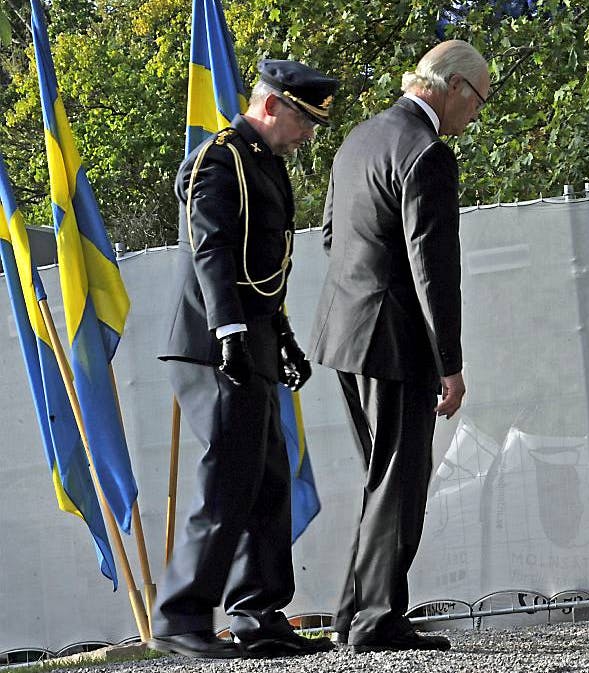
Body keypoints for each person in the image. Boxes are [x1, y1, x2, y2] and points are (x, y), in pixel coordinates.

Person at [152, 59, 338, 659]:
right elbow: (211, 246)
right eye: (305, 119)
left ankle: (257, 613)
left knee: (268, 481)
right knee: (225, 481)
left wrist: (279, 337)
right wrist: (230, 329)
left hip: (251, 338)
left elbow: (267, 268)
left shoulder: (269, 166)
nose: (309, 133)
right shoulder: (220, 157)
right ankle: (181, 618)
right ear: (271, 105)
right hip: (213, 343)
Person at [309, 39, 488, 653]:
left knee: (380, 478)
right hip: (395, 342)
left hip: (343, 333)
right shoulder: (427, 153)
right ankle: (377, 620)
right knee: (401, 481)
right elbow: (433, 267)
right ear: (456, 88)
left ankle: (352, 613)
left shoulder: (358, 138)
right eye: (479, 102)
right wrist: (450, 363)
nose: (475, 117)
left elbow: (333, 234)